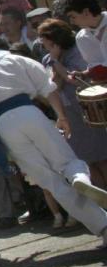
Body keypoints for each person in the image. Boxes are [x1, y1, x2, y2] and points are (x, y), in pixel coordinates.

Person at [0, 34, 107, 247]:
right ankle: (79, 177)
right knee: (65, 161)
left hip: (2, 123)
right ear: (5, 46)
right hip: (29, 111)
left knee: (49, 181)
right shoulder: (20, 60)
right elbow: (49, 90)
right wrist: (61, 117)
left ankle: (103, 227)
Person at [38, 19, 107, 187]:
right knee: (87, 161)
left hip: (87, 111)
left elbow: (75, 80)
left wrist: (57, 63)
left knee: (102, 157)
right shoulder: (47, 59)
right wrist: (54, 62)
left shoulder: (77, 51)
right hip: (69, 115)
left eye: (45, 39)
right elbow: (54, 86)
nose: (42, 43)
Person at [62, 0, 107, 83]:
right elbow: (96, 66)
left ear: (86, 12)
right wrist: (83, 74)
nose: (71, 22)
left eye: (73, 16)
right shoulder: (81, 38)